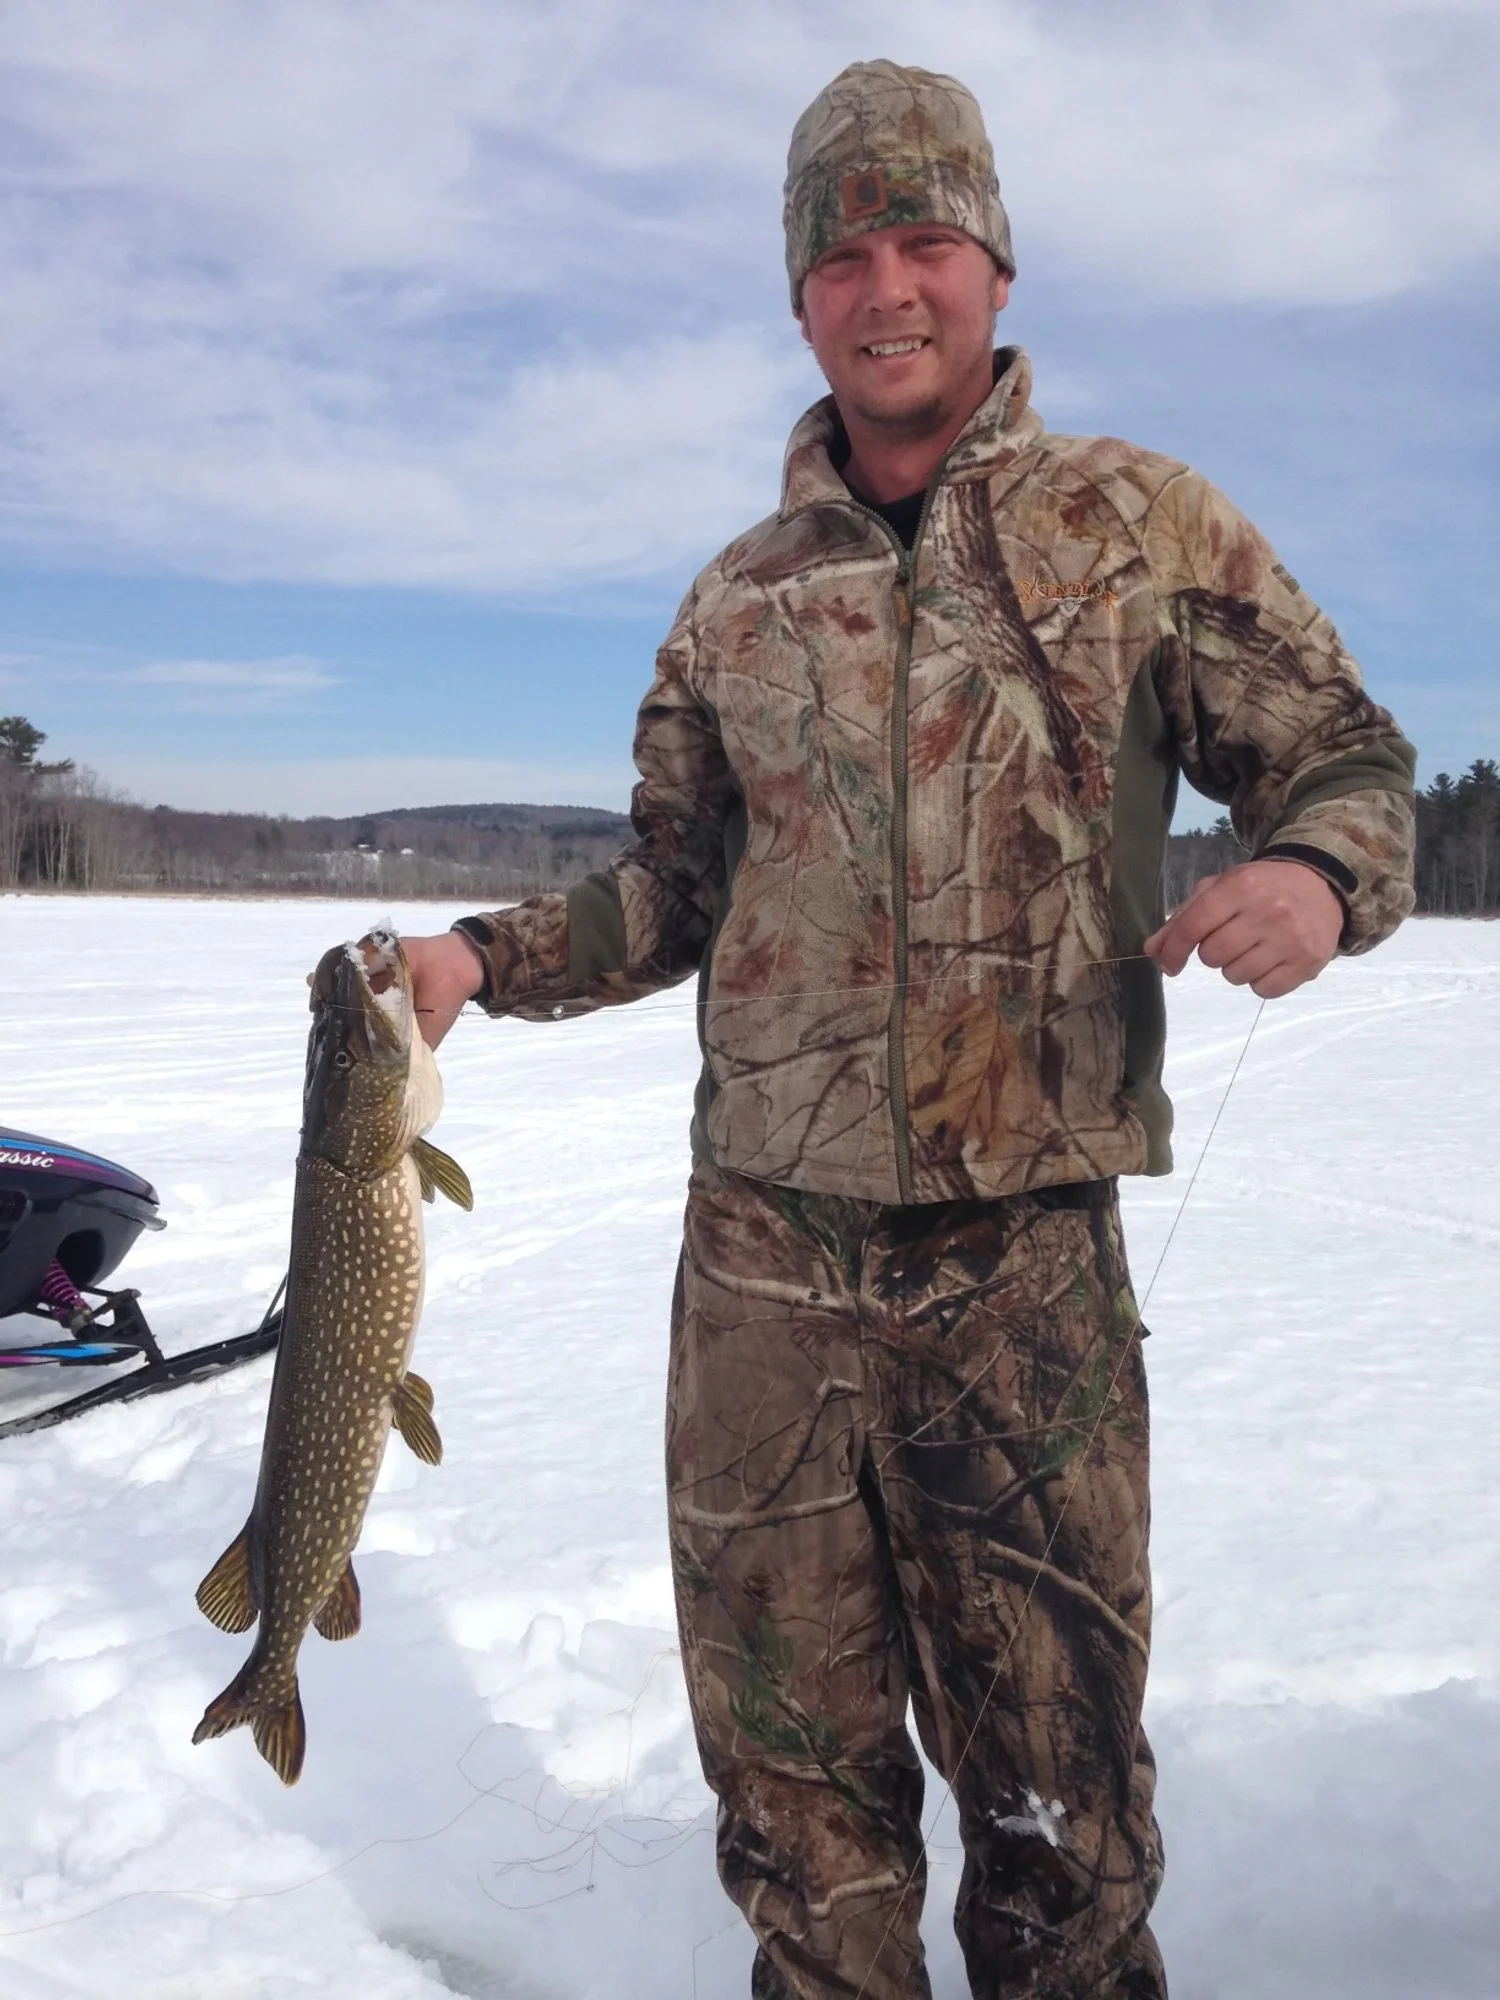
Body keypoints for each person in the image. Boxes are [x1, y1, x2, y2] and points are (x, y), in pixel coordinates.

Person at [402, 60, 1415, 2000]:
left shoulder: (1134, 524)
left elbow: (1347, 756)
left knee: (1057, 1812)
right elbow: (669, 891)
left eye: (925, 243)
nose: (888, 290)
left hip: (1017, 1265)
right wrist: (476, 955)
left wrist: (1314, 871)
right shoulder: (739, 600)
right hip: (759, 1273)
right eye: (843, 257)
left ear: (997, 269)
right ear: (800, 298)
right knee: (795, 1797)